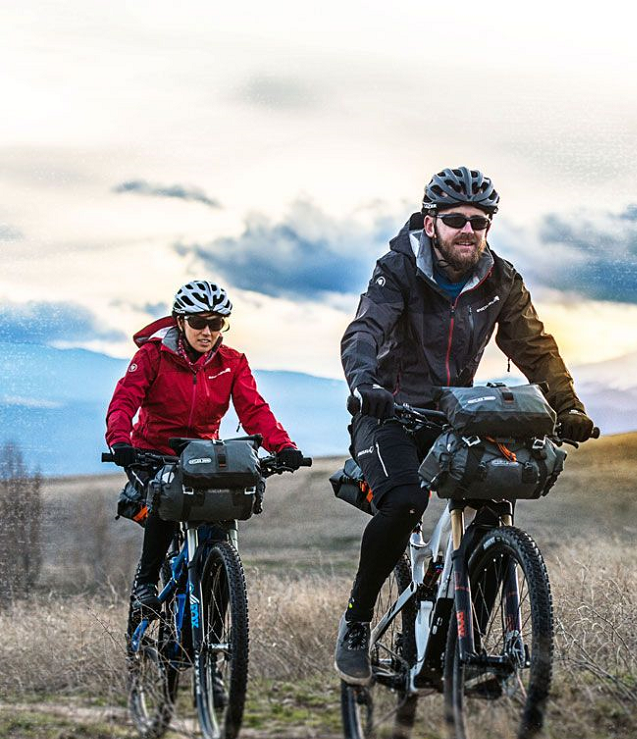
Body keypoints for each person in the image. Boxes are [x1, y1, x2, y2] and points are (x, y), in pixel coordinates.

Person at [336, 166, 595, 685]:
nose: (468, 230)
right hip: (387, 412)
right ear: (430, 223)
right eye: (455, 220)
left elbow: (535, 348)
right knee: (404, 501)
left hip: (455, 416)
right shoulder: (398, 269)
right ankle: (357, 622)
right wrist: (365, 384)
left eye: (480, 221)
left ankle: (465, 647)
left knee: (495, 507)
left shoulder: (500, 279)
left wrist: (568, 407)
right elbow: (364, 330)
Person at [106, 280, 307, 620]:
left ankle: (214, 626)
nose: (207, 332)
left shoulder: (232, 362)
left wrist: (284, 446)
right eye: (198, 322)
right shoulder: (152, 356)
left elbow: (254, 410)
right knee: (164, 499)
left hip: (200, 455)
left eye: (216, 323)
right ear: (180, 321)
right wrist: (120, 441)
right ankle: (146, 583)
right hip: (150, 452)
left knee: (221, 518)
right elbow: (124, 400)